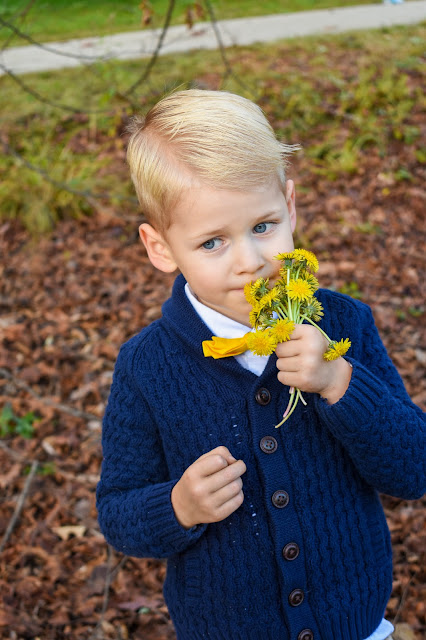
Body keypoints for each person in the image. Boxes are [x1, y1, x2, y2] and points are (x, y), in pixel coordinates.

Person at [96, 89, 425, 640]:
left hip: (355, 626)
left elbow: (413, 469)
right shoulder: (147, 367)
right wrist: (177, 506)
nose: (249, 262)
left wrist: (340, 382)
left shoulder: (342, 323)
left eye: (263, 226)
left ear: (290, 206)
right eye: (212, 242)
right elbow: (117, 512)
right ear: (161, 248)